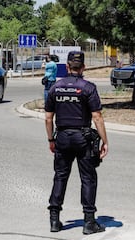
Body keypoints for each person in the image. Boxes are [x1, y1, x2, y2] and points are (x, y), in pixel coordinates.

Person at [44, 51, 108, 234]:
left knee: (60, 176)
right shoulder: (88, 87)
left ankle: (54, 220)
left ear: (67, 66)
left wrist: (50, 139)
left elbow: (48, 118)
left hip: (62, 137)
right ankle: (89, 223)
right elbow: (97, 117)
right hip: (83, 138)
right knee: (88, 178)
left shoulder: (56, 87)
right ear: (83, 67)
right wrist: (105, 141)